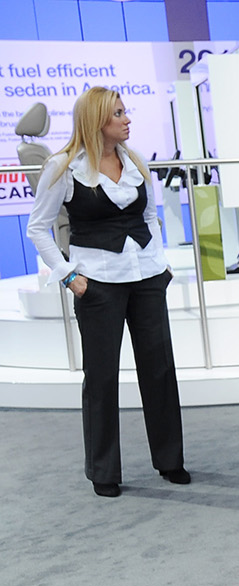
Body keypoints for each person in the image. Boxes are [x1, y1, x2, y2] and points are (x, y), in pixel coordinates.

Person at [27, 87, 187, 498]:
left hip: (147, 277)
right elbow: (37, 228)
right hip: (96, 283)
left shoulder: (134, 160)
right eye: (118, 113)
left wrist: (162, 263)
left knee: (160, 370)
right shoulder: (63, 167)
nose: (127, 119)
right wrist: (68, 275)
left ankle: (170, 461)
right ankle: (104, 471)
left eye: (125, 111)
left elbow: (149, 215)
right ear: (98, 120)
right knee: (101, 377)